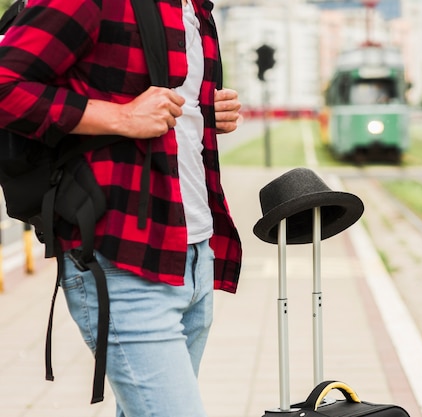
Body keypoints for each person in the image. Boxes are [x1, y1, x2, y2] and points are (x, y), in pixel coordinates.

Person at [0, 0, 243, 416]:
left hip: (193, 252)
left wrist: (206, 112)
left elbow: (157, 108)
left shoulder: (197, 10)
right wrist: (119, 116)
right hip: (123, 259)